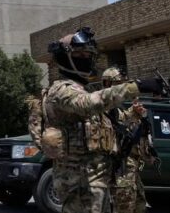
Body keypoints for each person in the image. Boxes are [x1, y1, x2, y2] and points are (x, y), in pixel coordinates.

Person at [42, 27, 162, 213]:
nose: (86, 58)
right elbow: (87, 104)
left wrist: (132, 114)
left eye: (88, 54)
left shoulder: (82, 90)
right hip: (78, 180)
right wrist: (134, 87)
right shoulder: (60, 90)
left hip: (97, 178)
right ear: (65, 57)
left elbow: (109, 119)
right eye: (80, 54)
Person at [102, 68, 156, 213]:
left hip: (131, 170)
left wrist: (134, 112)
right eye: (119, 84)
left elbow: (123, 121)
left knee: (139, 205)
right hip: (119, 172)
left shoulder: (116, 110)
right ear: (107, 84)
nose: (122, 89)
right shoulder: (100, 110)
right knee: (123, 208)